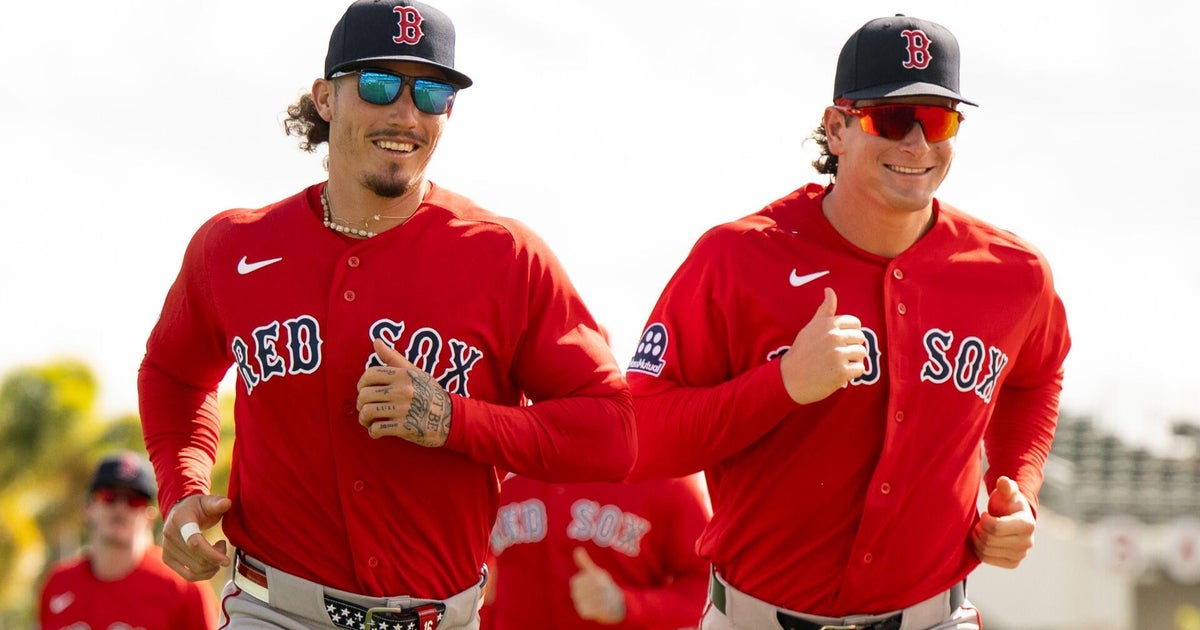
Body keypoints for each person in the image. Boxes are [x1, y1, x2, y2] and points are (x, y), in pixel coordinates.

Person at [137, 1, 635, 628]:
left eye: (432, 92)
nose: (405, 113)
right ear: (325, 98)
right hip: (275, 611)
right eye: (378, 85)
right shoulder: (233, 247)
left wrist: (453, 419)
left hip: (440, 616)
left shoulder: (506, 256)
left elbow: (612, 433)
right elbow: (174, 374)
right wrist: (182, 489)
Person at [624, 14, 1071, 630]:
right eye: (892, 119)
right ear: (836, 128)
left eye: (937, 120)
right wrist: (781, 385)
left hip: (935, 616)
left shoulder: (1013, 273)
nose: (917, 144)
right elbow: (640, 433)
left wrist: (1016, 485)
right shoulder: (738, 257)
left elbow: (1037, 375)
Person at [482, 473, 711, 630]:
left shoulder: (663, 474)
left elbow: (706, 591)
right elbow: (474, 578)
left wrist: (626, 604)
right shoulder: (500, 468)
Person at [37, 451, 218, 630]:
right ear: (88, 508)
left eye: (134, 500)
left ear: (150, 517)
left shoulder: (183, 584)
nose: (120, 507)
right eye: (109, 496)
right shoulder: (58, 583)